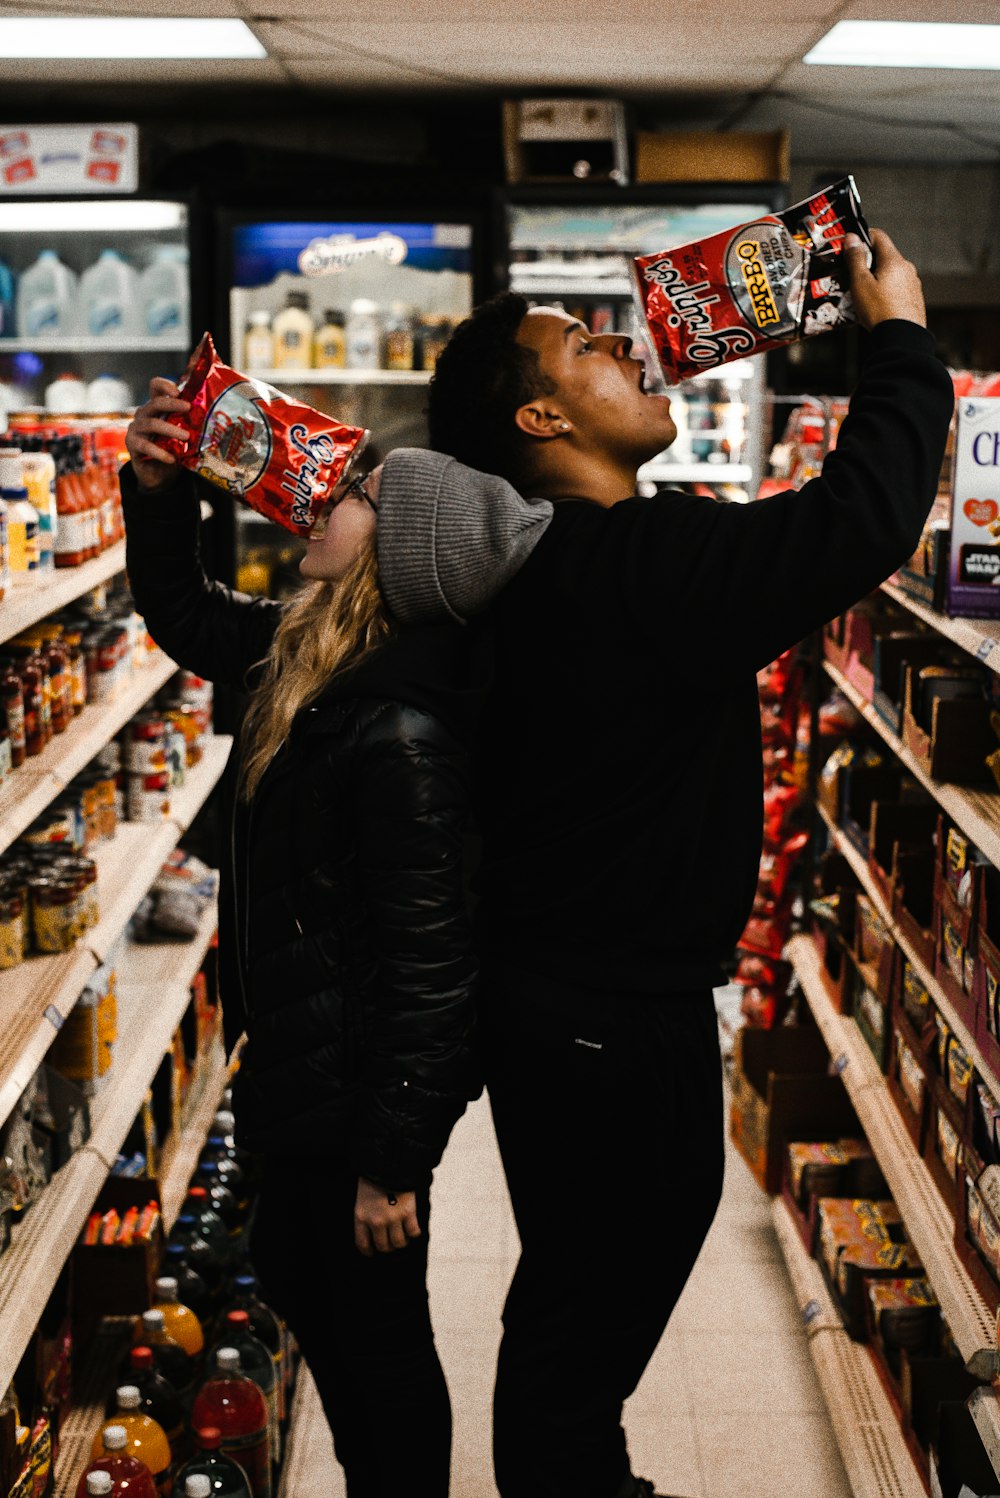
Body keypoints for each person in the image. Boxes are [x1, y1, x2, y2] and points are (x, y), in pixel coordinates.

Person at [371, 229, 956, 1498]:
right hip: (606, 1023)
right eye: (585, 347)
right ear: (538, 413)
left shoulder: (547, 569)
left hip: (569, 1008)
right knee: (582, 1332)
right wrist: (897, 337)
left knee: (575, 1314)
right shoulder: (627, 568)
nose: (626, 346)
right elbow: (859, 517)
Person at [119, 384, 552, 1498]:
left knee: (378, 1352)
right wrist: (160, 491)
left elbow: (431, 967)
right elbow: (186, 615)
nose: (325, 497)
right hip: (303, 1073)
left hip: (356, 1099)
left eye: (356, 494)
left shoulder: (398, 730)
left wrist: (391, 1164)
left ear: (394, 553)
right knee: (310, 1290)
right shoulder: (315, 657)